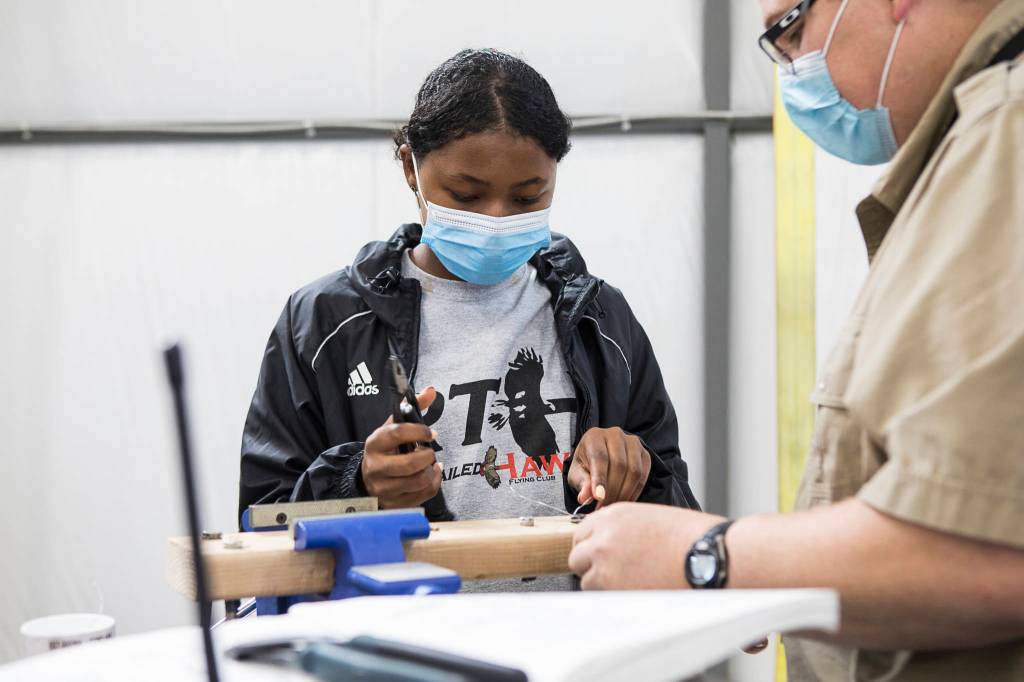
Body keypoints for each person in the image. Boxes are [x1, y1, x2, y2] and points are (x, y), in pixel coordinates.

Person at [569, 0, 1024, 678]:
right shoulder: (974, 145)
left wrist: (710, 557)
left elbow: (985, 550)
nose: (793, 70)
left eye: (790, 31)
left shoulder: (1006, 133)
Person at [238, 48, 699, 590]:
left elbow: (675, 514)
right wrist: (357, 484)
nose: (497, 220)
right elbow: (260, 530)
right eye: (466, 195)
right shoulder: (325, 324)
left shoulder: (600, 319)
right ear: (410, 166)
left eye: (529, 198)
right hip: (402, 661)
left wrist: (633, 468)